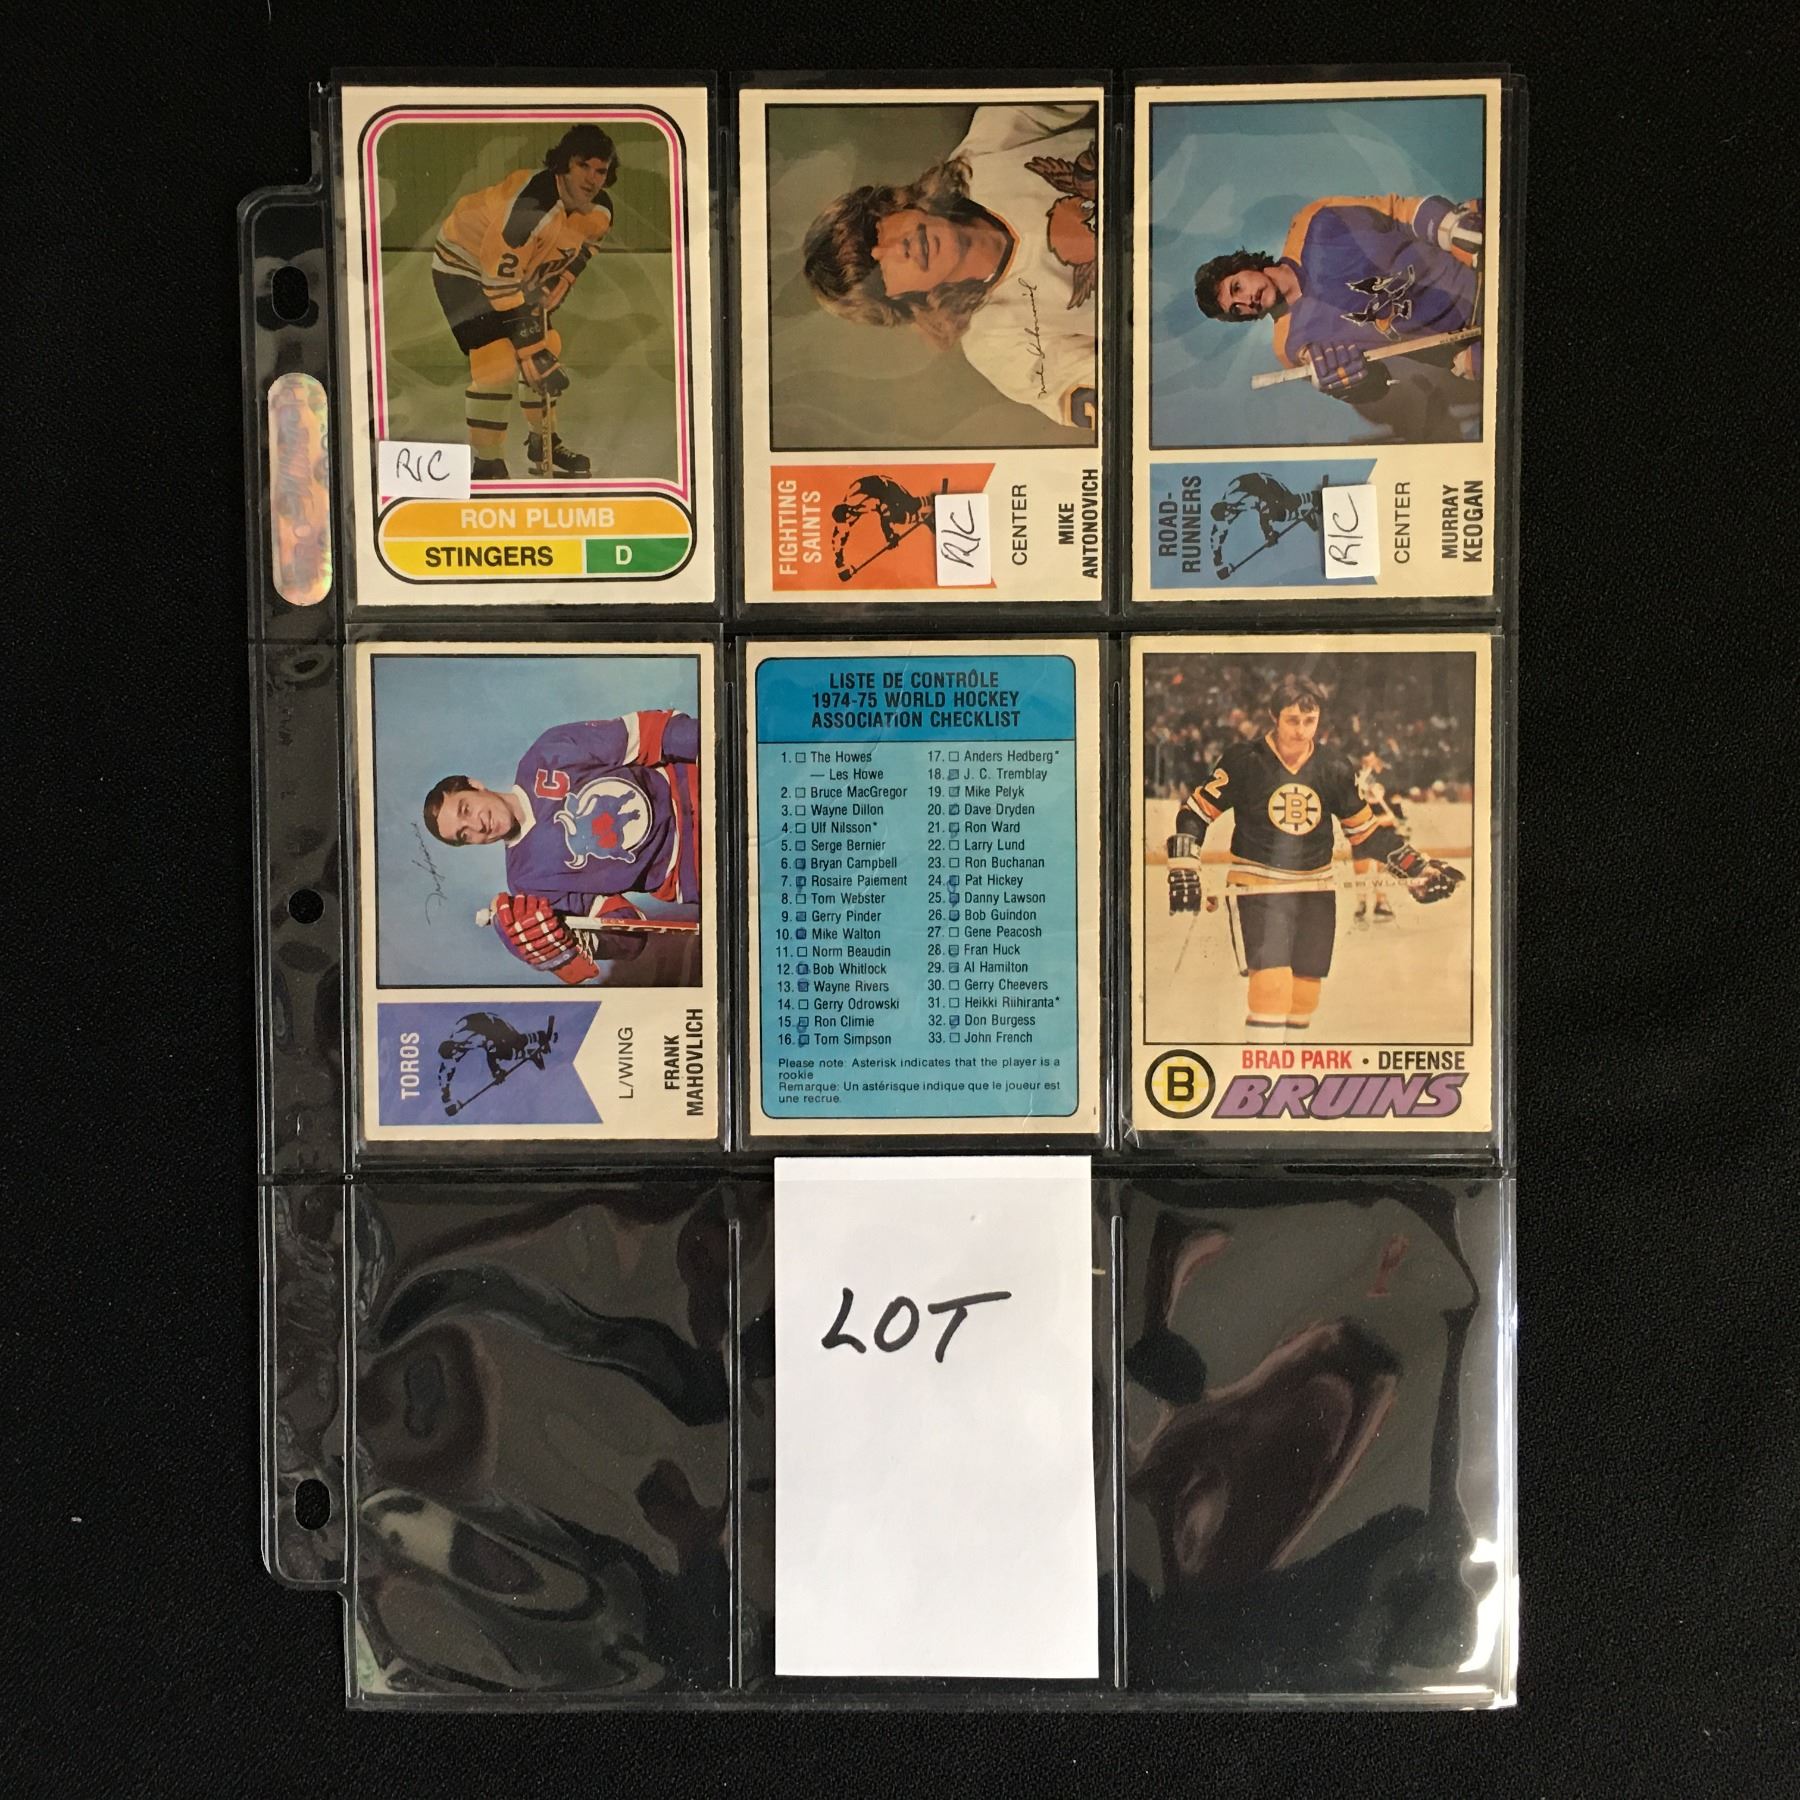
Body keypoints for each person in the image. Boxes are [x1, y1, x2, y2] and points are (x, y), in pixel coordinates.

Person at [1166, 675, 1462, 1038]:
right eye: (1292, 720)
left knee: (1305, 995)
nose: (1302, 730)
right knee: (1271, 989)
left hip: (1316, 887)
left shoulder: (1334, 766)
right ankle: (1265, 1069)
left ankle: (1291, 1067)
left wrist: (1417, 867)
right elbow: (1195, 813)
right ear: (1274, 717)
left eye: (1310, 721)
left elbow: (1366, 834)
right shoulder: (1244, 760)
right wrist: (1184, 864)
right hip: (1259, 885)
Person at [801, 103, 1099, 431]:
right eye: (876, 272)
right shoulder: (996, 345)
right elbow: (1118, 396)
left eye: (874, 232)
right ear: (901, 300)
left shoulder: (986, 150)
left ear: (892, 206)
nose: (897, 249)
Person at [422, 709, 700, 984]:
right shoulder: (528, 885)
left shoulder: (546, 752)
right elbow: (630, 933)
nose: (477, 825)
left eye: (466, 809)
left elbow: (654, 733)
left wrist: (714, 746)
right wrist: (570, 943)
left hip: (696, 784)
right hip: (692, 870)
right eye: (465, 834)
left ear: (475, 785)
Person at [428, 123, 620, 479]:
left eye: (600, 170)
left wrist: (565, 276)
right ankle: (487, 461)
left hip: (517, 273)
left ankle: (542, 441)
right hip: (464, 266)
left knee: (549, 347)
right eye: (583, 166)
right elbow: (497, 281)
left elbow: (589, 245)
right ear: (563, 164)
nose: (592, 179)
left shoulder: (600, 210)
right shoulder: (529, 209)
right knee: (498, 362)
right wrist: (529, 349)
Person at [1192, 194, 1482, 406]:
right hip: (1473, 338)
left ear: (1244, 265)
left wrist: (1450, 225)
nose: (1247, 301)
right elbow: (1377, 384)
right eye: (1237, 310)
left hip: (1478, 269)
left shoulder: (1316, 222)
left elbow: (1398, 211)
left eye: (1237, 287)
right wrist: (1352, 386)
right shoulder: (1293, 347)